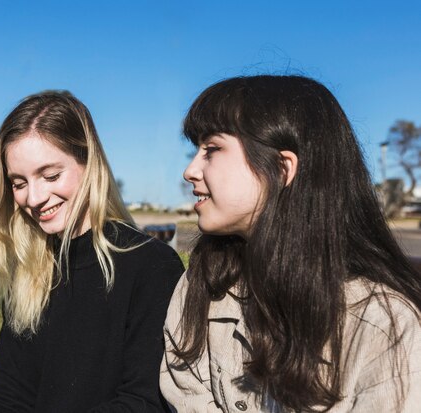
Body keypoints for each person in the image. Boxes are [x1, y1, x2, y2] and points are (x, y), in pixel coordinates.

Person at [160, 75, 421, 412]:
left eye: (211, 149)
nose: (190, 171)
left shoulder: (384, 326)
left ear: (282, 169)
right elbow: (184, 389)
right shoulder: (203, 282)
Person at [0, 90, 184, 412]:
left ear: (89, 163)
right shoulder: (28, 268)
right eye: (18, 183)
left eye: (51, 175)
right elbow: (9, 394)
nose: (34, 198)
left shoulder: (151, 265)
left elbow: (143, 402)